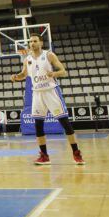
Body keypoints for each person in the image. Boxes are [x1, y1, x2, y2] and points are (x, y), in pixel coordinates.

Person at [11, 34, 84, 165]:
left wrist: (54, 73)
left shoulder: (49, 55)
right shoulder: (27, 59)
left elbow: (63, 71)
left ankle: (76, 153)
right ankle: (44, 156)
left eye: (34, 41)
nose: (32, 43)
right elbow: (24, 74)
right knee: (38, 126)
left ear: (41, 43)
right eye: (30, 41)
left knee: (65, 124)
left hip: (51, 92)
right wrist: (17, 76)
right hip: (37, 94)